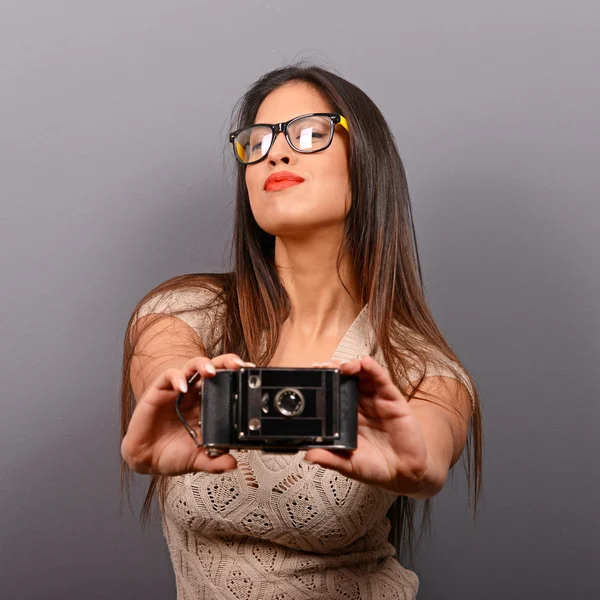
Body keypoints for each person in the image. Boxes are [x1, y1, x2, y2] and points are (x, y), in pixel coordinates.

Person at [120, 63, 482, 600]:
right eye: (258, 140)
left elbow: (431, 443)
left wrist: (420, 467)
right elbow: (165, 357)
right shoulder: (185, 310)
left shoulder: (420, 367)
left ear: (367, 165)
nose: (276, 152)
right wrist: (180, 390)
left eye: (311, 133)